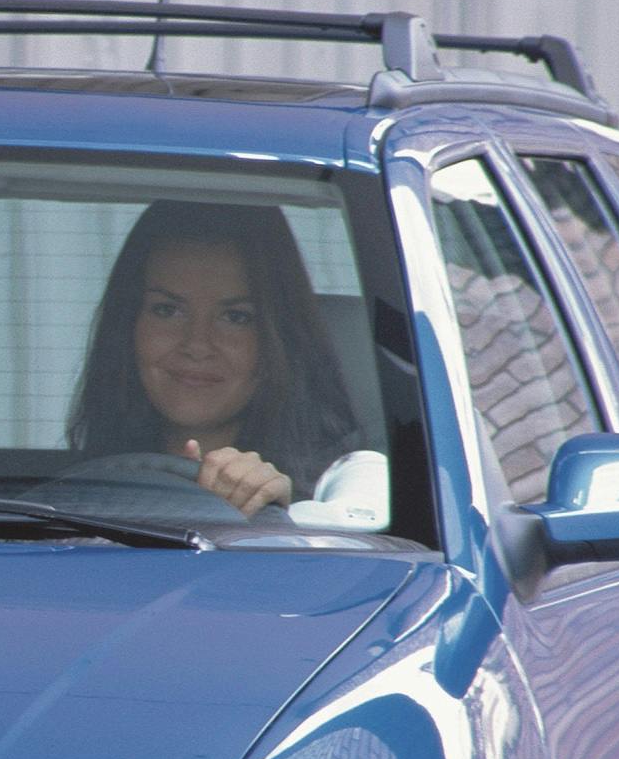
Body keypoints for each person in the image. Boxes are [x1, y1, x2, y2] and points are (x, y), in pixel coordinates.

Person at [65, 200, 382, 524]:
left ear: (281, 337)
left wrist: (278, 513)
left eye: (235, 317)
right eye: (167, 310)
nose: (197, 345)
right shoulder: (67, 495)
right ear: (127, 326)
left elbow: (361, 520)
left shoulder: (352, 478)